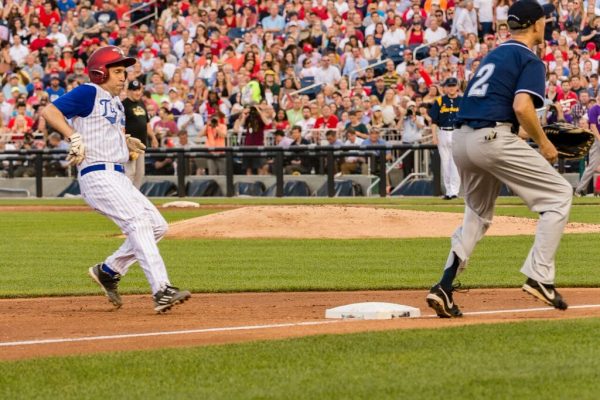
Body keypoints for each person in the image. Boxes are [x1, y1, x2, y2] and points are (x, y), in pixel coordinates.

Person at [426, 1, 572, 318]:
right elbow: (522, 108)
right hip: (491, 138)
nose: (547, 24)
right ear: (536, 25)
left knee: (476, 216)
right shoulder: (529, 59)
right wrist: (544, 143)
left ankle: (443, 287)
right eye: (545, 20)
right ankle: (540, 276)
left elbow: (500, 111)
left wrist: (527, 134)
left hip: (464, 138)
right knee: (560, 195)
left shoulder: (493, 55)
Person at [41, 46, 191, 313]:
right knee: (138, 222)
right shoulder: (89, 92)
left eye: (125, 71)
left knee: (158, 227)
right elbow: (50, 112)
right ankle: (161, 290)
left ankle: (109, 270)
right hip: (97, 174)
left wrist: (125, 142)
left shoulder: (117, 103)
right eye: (118, 71)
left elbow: (107, 130)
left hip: (117, 175)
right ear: (100, 72)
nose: (124, 77)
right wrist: (72, 136)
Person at [428, 77, 462, 200]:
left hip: (457, 132)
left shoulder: (462, 101)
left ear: (457, 86)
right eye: (449, 85)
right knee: (445, 163)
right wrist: (434, 135)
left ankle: (454, 191)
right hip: (443, 132)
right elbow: (434, 121)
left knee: (455, 163)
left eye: (453, 85)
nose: (451, 88)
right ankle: (448, 191)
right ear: (445, 87)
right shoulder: (440, 100)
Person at [122, 79, 158, 189]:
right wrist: (124, 143)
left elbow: (146, 123)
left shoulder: (142, 104)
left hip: (141, 145)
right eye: (134, 90)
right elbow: (121, 126)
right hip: (130, 145)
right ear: (128, 91)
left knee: (140, 173)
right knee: (130, 172)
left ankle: (135, 197)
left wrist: (153, 137)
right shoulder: (124, 105)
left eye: (139, 90)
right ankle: (125, 196)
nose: (137, 92)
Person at [574, 99, 600, 196]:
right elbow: (593, 126)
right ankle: (579, 190)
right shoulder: (594, 109)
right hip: (597, 139)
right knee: (592, 167)